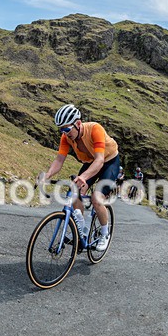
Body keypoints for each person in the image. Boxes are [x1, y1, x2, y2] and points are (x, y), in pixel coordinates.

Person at [43, 104, 120, 252]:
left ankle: (105, 234)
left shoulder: (95, 129)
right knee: (74, 193)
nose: (64, 133)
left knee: (97, 199)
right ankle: (82, 229)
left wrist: (84, 177)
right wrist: (47, 175)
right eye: (61, 130)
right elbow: (59, 160)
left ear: (78, 124)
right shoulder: (66, 137)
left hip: (109, 161)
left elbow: (100, 161)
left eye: (66, 129)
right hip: (90, 162)